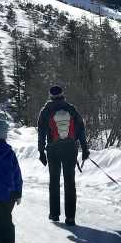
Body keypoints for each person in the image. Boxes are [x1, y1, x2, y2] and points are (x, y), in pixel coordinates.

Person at [36, 85, 88, 226]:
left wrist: (41, 151)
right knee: (70, 183)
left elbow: (41, 133)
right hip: (70, 149)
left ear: (50, 96)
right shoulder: (71, 109)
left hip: (53, 150)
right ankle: (70, 217)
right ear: (62, 94)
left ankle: (54, 214)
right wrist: (85, 148)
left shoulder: (45, 111)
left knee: (54, 182)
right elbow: (81, 129)